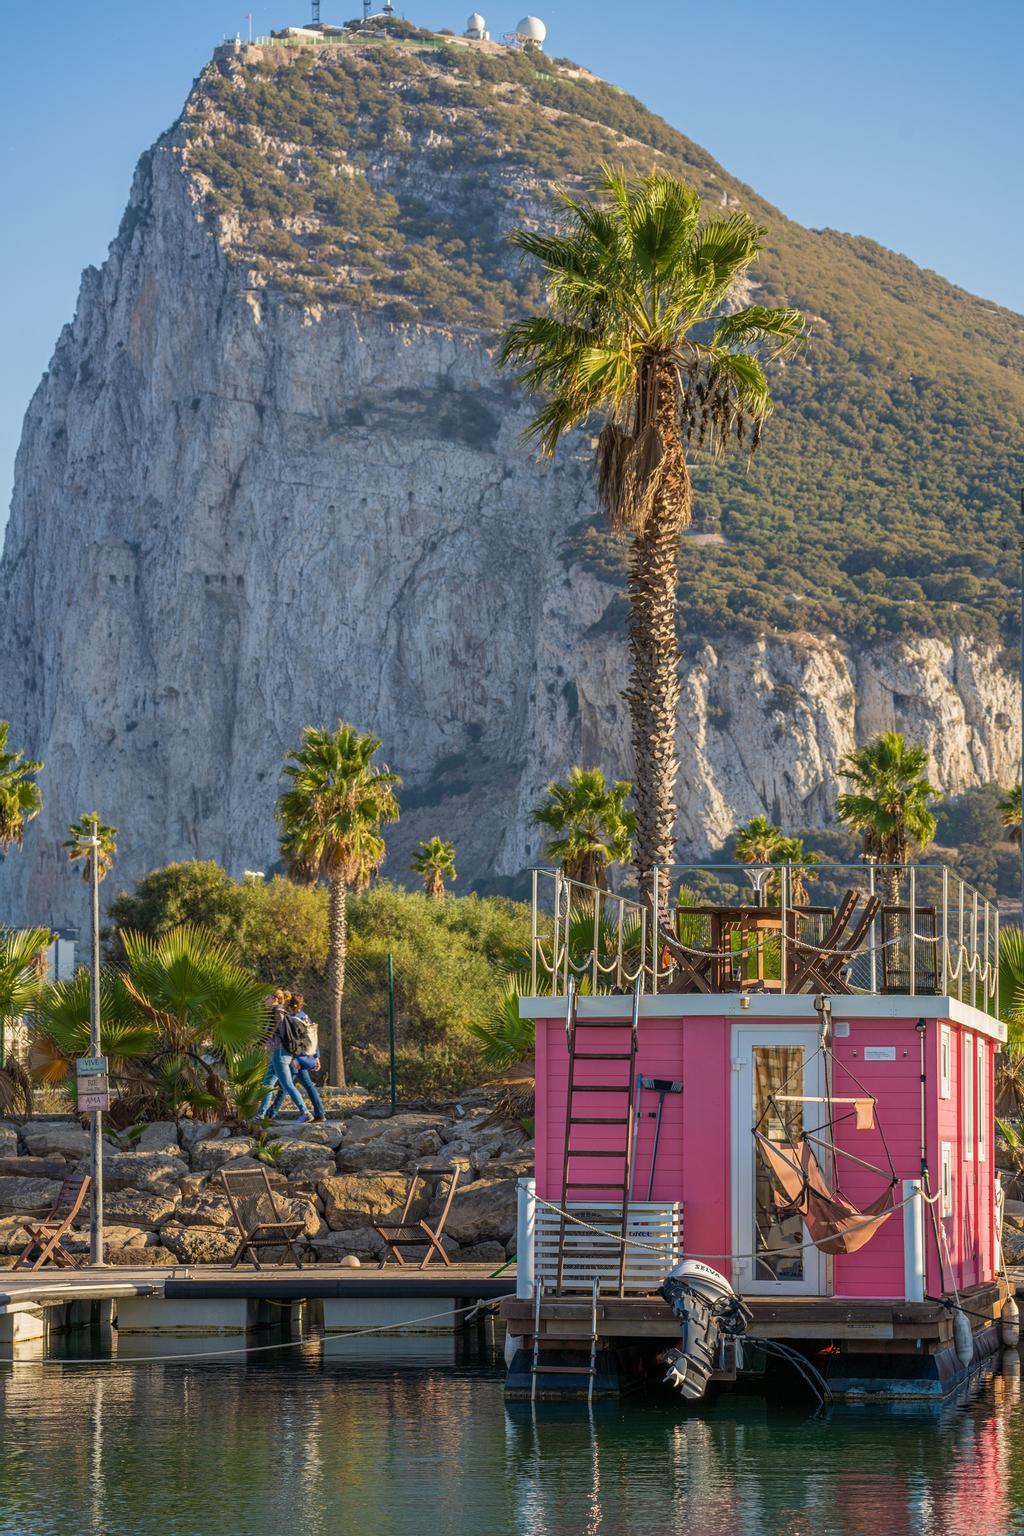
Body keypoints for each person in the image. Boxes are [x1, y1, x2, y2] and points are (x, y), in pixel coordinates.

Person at [267, 992, 326, 1121]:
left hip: (295, 1057)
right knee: (305, 1085)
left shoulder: (290, 1018)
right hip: (305, 1056)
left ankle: (271, 1114)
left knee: (285, 1086)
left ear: (289, 1004)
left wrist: (294, 1058)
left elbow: (290, 1040)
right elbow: (312, 1037)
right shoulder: (305, 1017)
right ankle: (320, 1113)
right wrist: (316, 1056)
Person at [256, 989, 312, 1122]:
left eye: (267, 998)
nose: (265, 1000)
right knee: (267, 1084)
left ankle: (305, 1112)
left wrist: (258, 1044)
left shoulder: (277, 1013)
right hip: (278, 1053)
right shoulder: (280, 1012)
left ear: (275, 999)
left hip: (280, 1053)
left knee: (287, 1084)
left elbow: (270, 1032)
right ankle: (259, 1116)